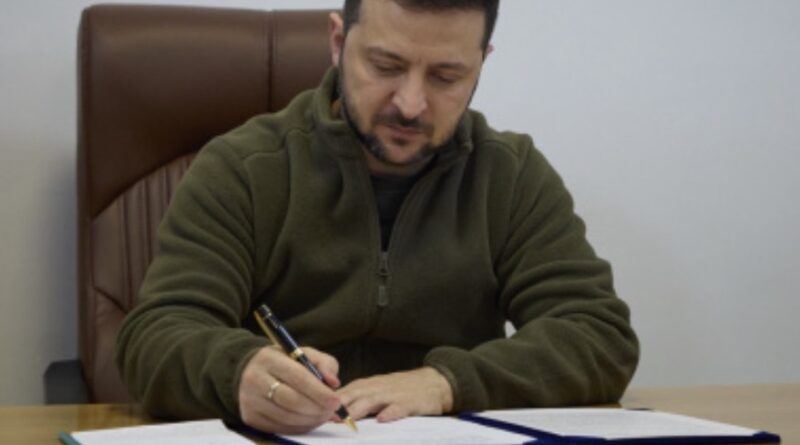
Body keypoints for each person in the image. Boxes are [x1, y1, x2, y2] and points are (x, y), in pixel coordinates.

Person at [115, 0, 639, 435]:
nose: (410, 104)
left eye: (446, 76)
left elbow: (599, 336)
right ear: (338, 42)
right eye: (386, 66)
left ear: (482, 63)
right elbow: (156, 335)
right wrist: (240, 371)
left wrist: (447, 382)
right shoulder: (244, 168)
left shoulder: (509, 175)